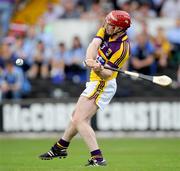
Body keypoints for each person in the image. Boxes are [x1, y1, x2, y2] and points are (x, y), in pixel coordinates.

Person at [39, 10, 131, 166]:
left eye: (111, 24)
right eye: (107, 22)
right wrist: (90, 59)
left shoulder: (122, 48)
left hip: (103, 83)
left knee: (79, 119)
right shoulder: (107, 29)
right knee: (76, 116)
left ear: (119, 28)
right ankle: (60, 147)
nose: (107, 25)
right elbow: (94, 44)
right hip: (95, 81)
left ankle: (98, 157)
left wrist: (98, 68)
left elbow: (108, 73)